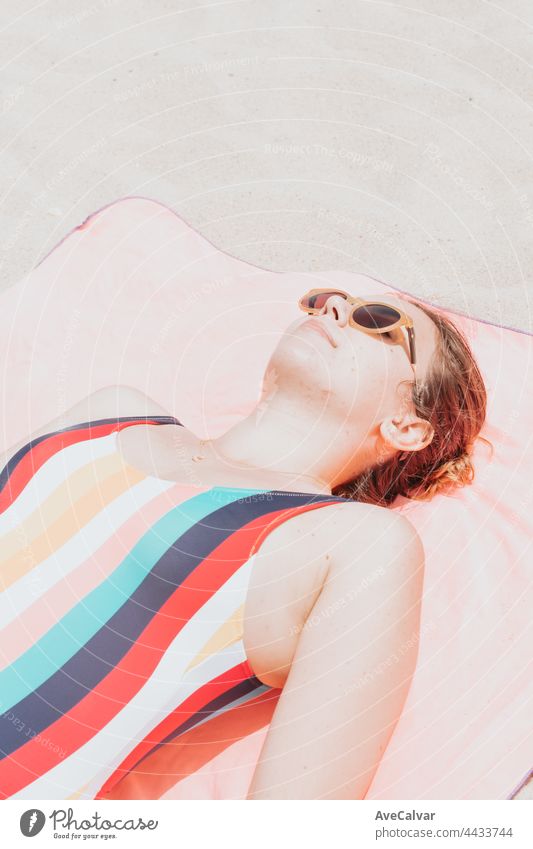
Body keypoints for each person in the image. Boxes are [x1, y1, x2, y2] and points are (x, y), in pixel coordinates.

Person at [0, 289, 487, 801]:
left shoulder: (350, 544)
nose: (333, 310)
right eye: (324, 300)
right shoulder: (112, 411)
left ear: (406, 428)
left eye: (378, 320)